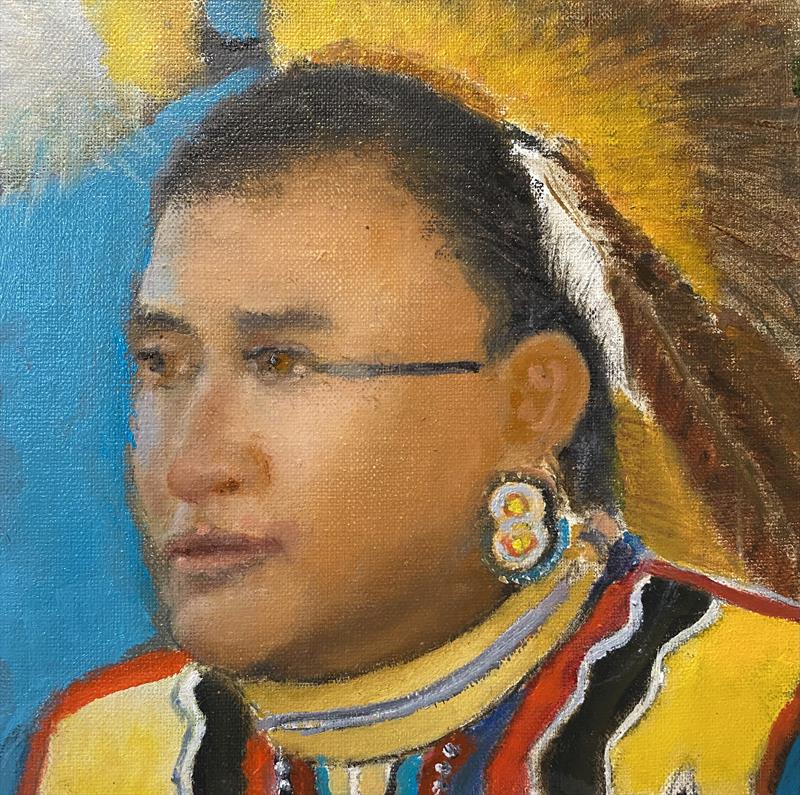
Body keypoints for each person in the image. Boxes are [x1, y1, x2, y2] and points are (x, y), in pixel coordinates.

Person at [17, 62, 800, 795]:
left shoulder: (755, 721)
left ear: (529, 405)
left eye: (282, 362)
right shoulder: (108, 753)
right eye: (160, 363)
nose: (189, 465)